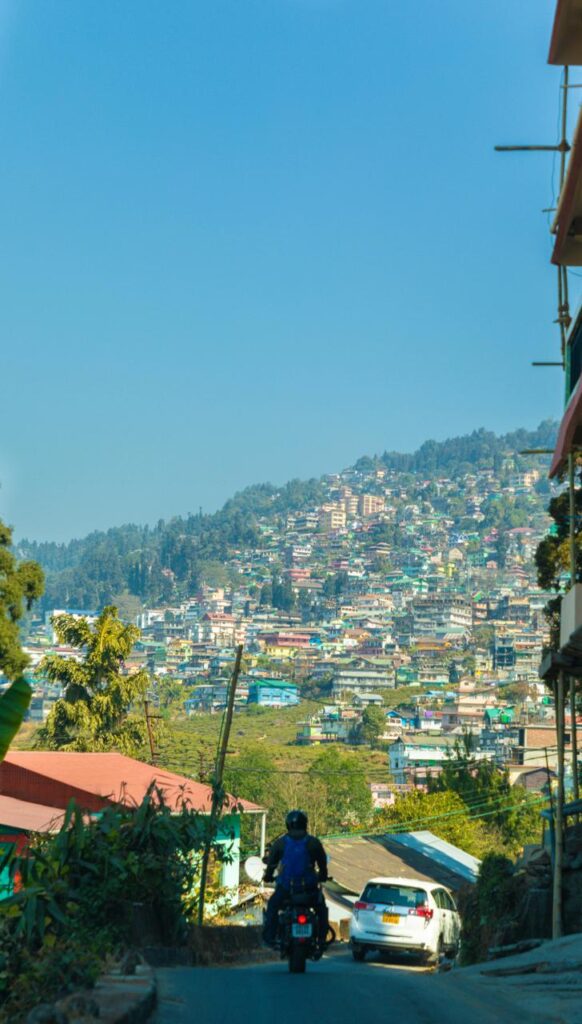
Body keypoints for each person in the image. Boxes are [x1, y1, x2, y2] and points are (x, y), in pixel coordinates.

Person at [262, 809, 330, 954]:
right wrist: (322, 876)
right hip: (309, 889)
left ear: (288, 825)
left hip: (287, 889)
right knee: (322, 909)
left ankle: (270, 937)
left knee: (273, 906)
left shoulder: (280, 844)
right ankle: (322, 939)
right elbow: (323, 864)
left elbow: (271, 865)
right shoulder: (313, 843)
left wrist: (267, 876)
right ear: (305, 824)